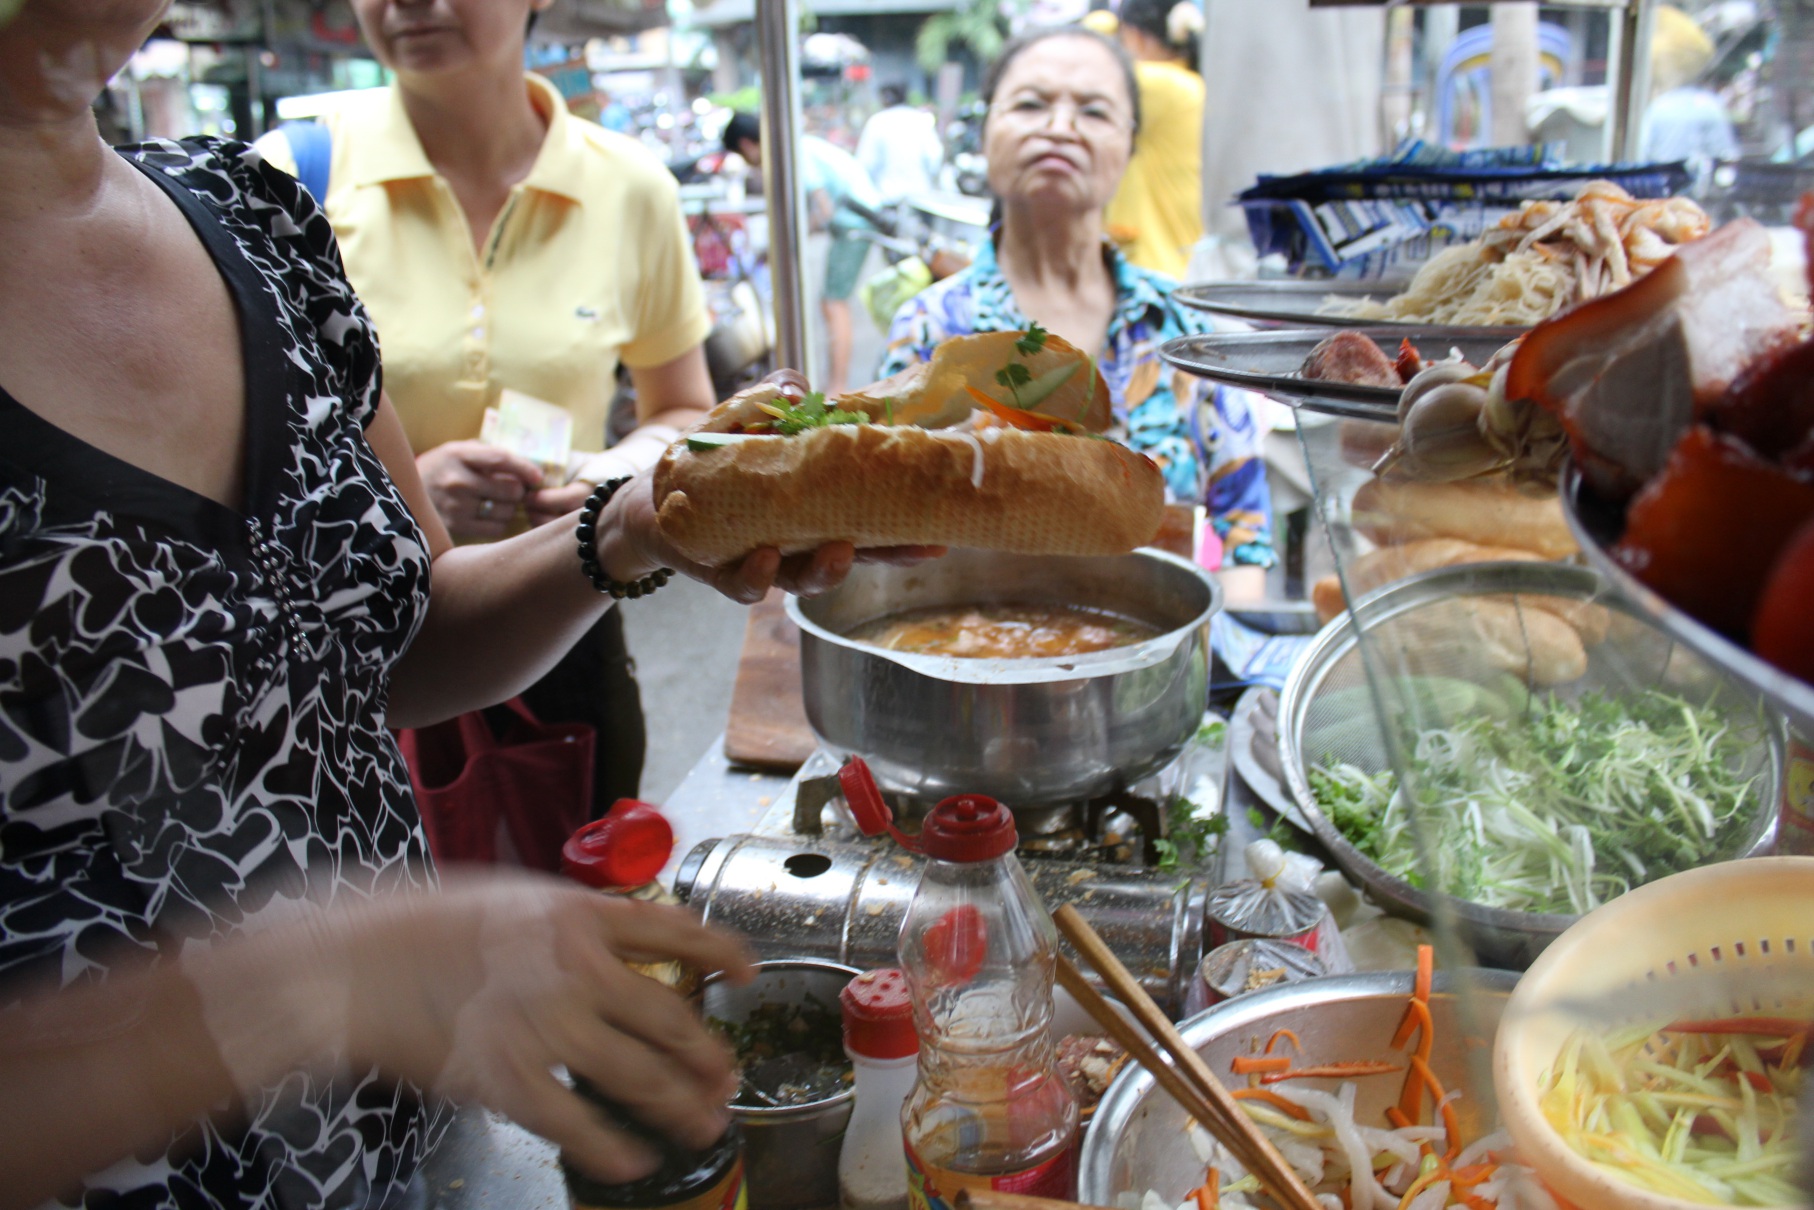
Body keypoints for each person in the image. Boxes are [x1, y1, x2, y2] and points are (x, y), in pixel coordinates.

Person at [0, 1, 935, 1203]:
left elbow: (393, 640)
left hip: (412, 1145)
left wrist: (633, 522)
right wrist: (322, 975)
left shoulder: (249, 216)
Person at [257, 0, 717, 817]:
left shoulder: (628, 186)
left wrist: (605, 480)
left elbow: (682, 408)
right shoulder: (282, 183)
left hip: (562, 617)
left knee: (576, 903)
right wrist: (400, 492)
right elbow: (248, 466)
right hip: (357, 651)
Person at [879, 26, 1274, 601]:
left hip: (1163, 657)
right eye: (1031, 104)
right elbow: (889, 532)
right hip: (974, 658)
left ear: (1130, 144)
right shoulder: (930, 329)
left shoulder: (1189, 331)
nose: (1059, 128)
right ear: (987, 132)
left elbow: (1245, 540)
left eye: (1093, 111)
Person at [724, 110, 882, 395]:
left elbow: (824, 208)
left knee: (834, 303)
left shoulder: (793, 152)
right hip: (854, 220)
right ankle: (835, 385)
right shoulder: (798, 145)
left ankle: (837, 388)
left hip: (856, 222)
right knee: (831, 303)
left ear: (746, 145)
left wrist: (788, 239)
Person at [856, 84, 944, 210]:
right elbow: (934, 158)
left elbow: (865, 164)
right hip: (920, 200)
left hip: (888, 201)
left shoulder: (877, 122)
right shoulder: (920, 120)